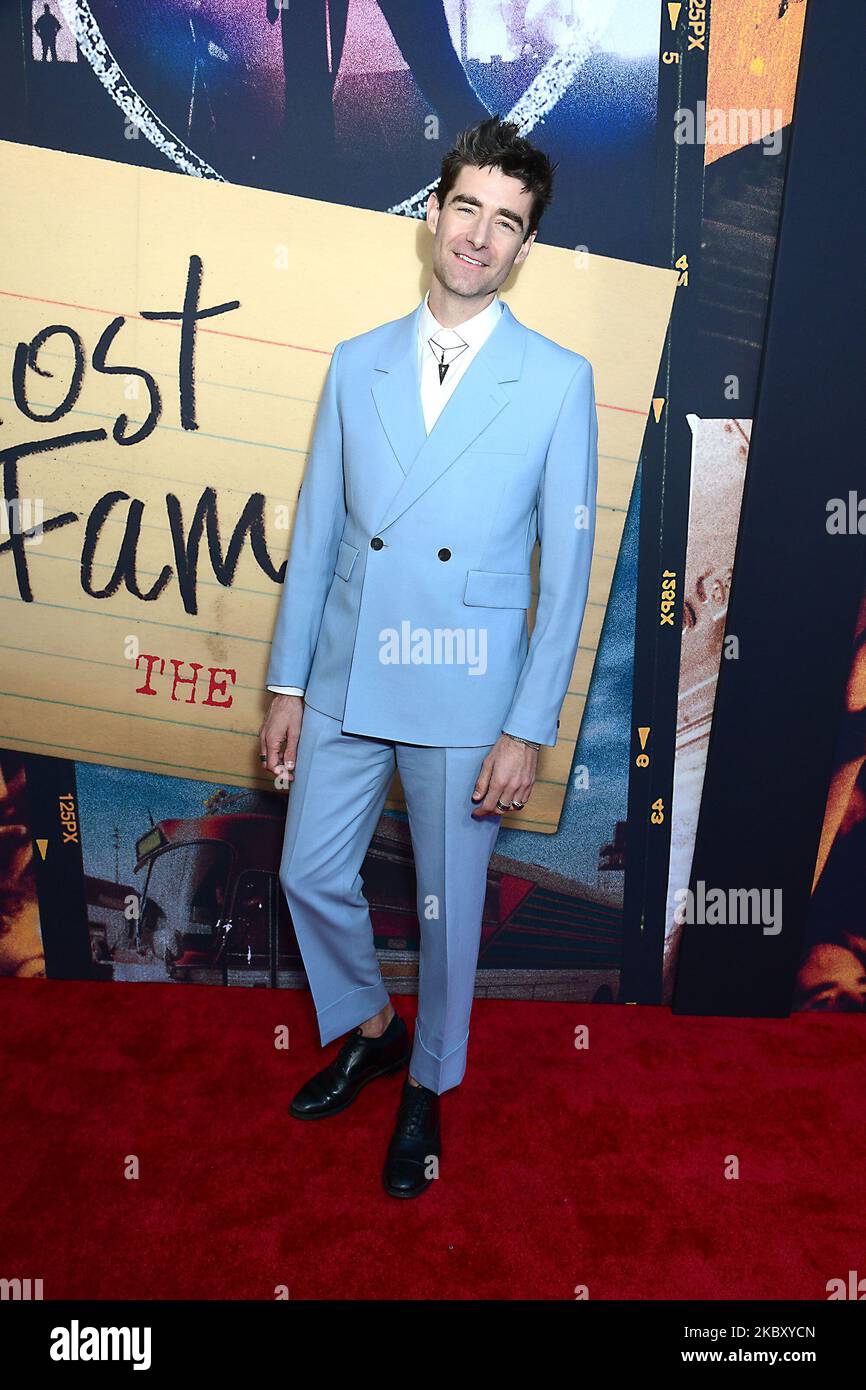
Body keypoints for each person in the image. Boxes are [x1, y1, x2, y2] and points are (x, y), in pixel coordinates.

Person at [259, 115, 598, 1198]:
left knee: (449, 918)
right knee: (308, 871)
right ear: (431, 213)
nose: (480, 236)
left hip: (467, 688)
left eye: (507, 222)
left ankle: (426, 1090)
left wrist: (528, 726)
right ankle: (370, 1023)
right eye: (467, 209)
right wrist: (286, 682)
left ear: (524, 247)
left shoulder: (556, 380)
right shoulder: (355, 362)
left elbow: (566, 576)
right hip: (351, 670)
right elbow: (316, 530)